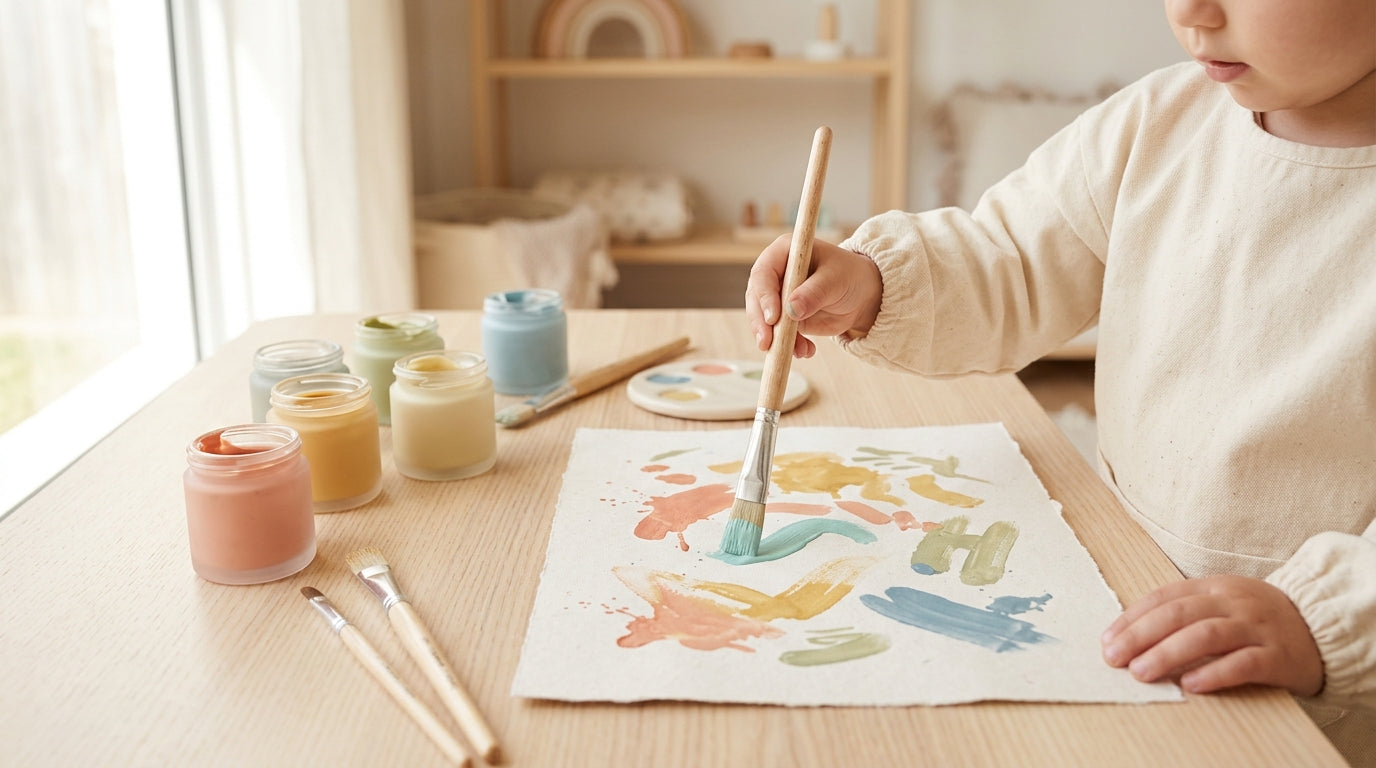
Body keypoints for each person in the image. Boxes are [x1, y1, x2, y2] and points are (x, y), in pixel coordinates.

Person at [745, 0, 1376, 762]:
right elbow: (1007, 258)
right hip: (1120, 602)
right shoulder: (1156, 123)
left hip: (1322, 702)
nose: (1191, 12)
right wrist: (871, 283)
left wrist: (1328, 619)